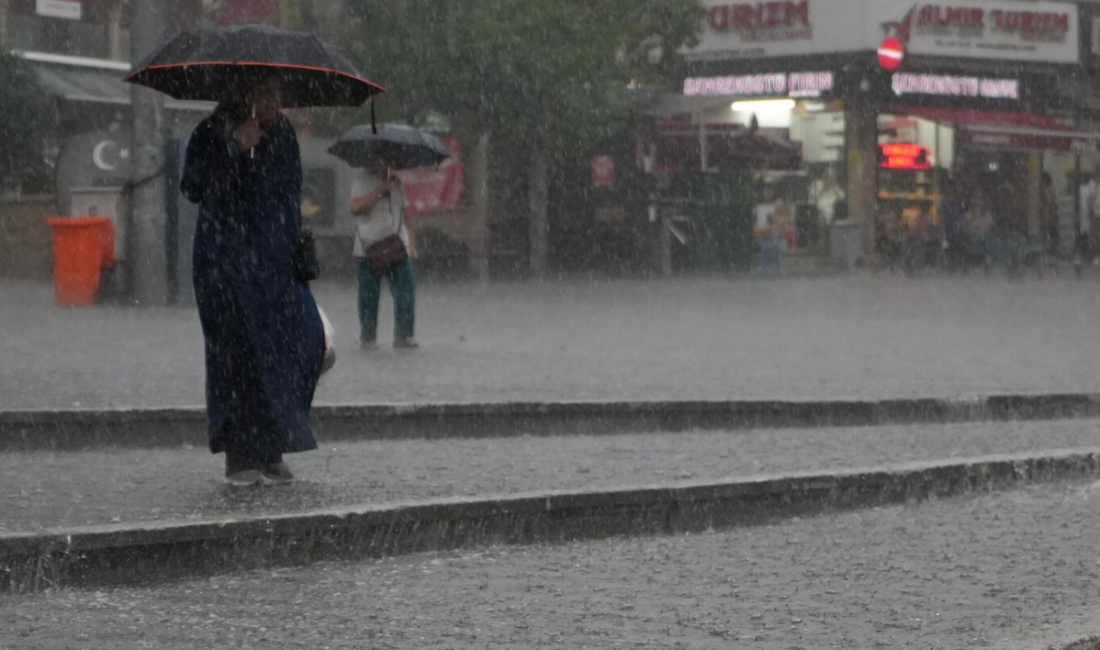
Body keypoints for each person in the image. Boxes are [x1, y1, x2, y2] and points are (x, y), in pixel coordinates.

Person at [181, 73, 326, 486]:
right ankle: (242, 452)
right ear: (243, 95)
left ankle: (273, 442)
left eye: (276, 95)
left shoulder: (283, 134)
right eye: (264, 94)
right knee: (237, 356)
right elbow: (193, 186)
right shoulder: (211, 131)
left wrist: (294, 244)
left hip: (276, 264)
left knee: (302, 341)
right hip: (224, 263)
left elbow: (287, 192)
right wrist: (234, 150)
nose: (273, 103)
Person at [351, 154, 419, 350]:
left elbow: (406, 215)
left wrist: (412, 243)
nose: (385, 164)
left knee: (406, 291)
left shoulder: (397, 183)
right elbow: (355, 208)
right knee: (368, 296)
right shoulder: (362, 180)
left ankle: (404, 335)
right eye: (381, 160)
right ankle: (368, 337)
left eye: (388, 161)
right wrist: (380, 191)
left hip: (396, 247)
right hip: (368, 248)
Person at [1040, 172, 1058, 257]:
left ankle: (1051, 250)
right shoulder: (1049, 188)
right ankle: (1050, 249)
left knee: (1050, 232)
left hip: (1048, 214)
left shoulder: (1049, 189)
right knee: (1049, 232)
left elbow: (1050, 201)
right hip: (1048, 214)